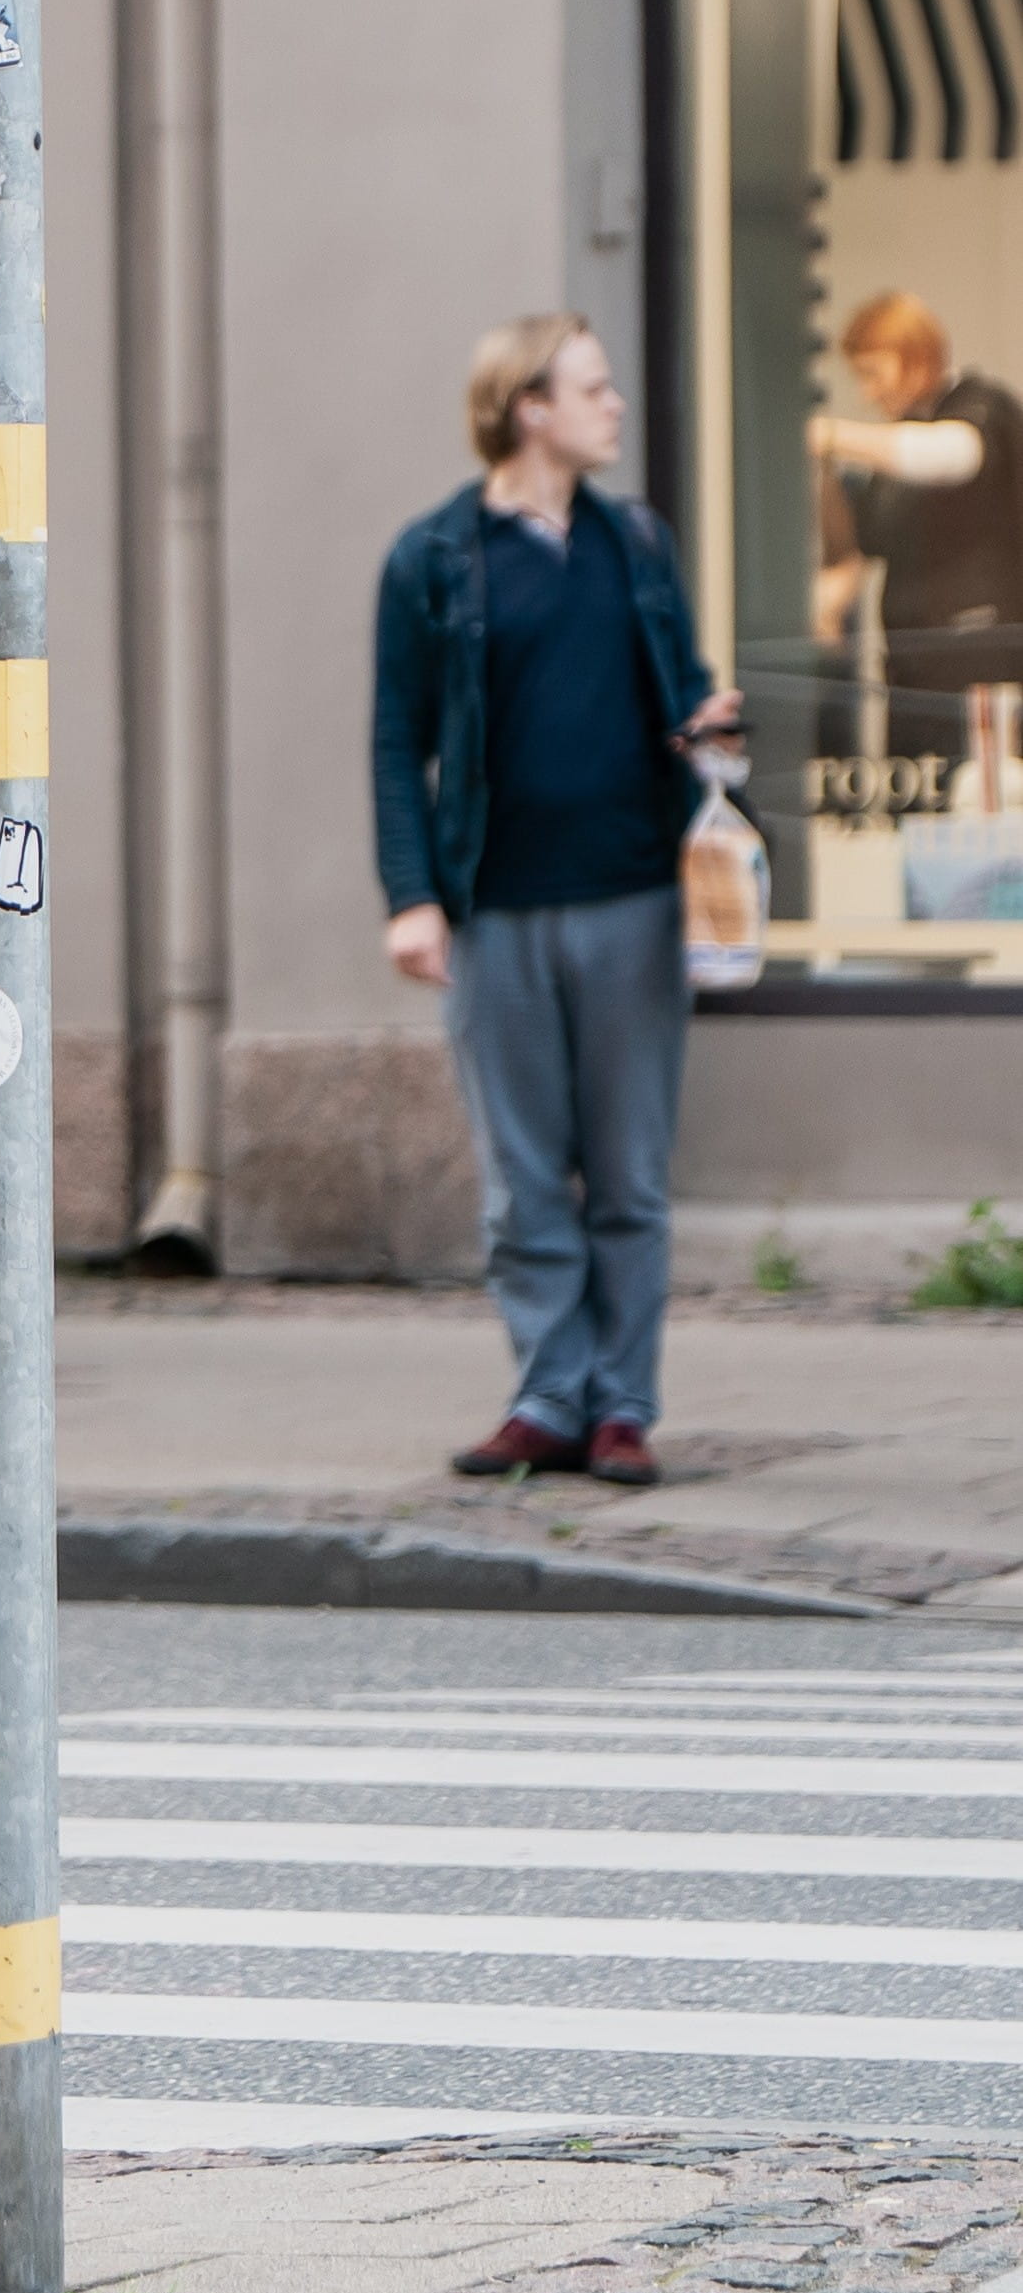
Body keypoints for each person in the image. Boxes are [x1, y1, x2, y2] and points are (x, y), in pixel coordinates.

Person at [372, 314, 741, 1494]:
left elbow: (678, 695)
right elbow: (398, 742)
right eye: (594, 385)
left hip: (634, 898)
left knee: (628, 1174)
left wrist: (711, 728)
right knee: (524, 1176)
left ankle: (623, 1406)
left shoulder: (637, 541)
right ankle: (549, 1394)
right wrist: (414, 895)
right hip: (497, 907)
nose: (616, 403)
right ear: (530, 406)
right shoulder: (433, 557)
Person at [814, 291, 1023, 675]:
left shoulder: (983, 408)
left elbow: (950, 455)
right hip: (914, 664)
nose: (867, 393)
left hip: (981, 664)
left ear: (915, 358)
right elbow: (866, 545)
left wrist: (829, 436)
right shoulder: (898, 450)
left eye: (873, 373)